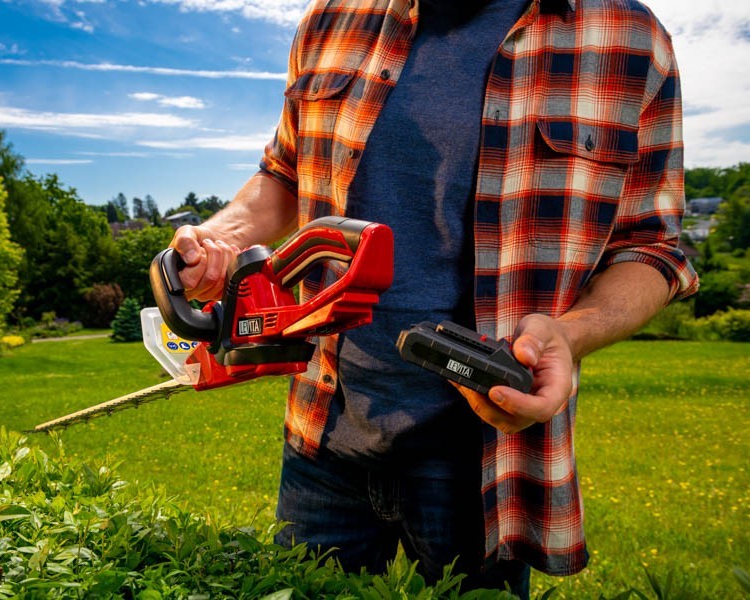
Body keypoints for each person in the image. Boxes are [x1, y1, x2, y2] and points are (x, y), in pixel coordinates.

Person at [170, 0, 698, 596]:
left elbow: (652, 249)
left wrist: (570, 334)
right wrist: (220, 239)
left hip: (485, 458)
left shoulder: (629, 38)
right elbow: (285, 173)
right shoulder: (332, 18)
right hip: (324, 432)